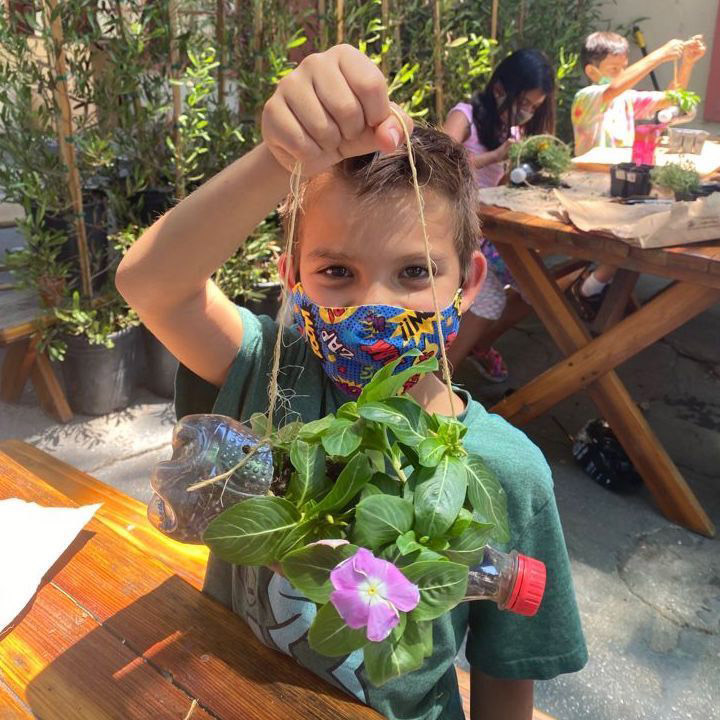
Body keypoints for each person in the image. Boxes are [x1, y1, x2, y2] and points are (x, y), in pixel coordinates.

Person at [117, 45, 586, 720]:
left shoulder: (508, 471)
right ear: (291, 275)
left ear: (470, 283)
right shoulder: (265, 373)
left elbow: (505, 675)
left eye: (416, 273)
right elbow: (150, 283)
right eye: (336, 272)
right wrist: (279, 159)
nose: (373, 305)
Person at [569, 31, 706, 321]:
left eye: (624, 67)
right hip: (589, 188)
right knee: (641, 226)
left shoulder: (628, 100)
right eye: (613, 69)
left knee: (653, 217)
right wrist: (660, 53)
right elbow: (614, 88)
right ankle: (589, 287)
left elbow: (673, 99)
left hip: (621, 184)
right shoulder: (588, 97)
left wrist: (687, 63)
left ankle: (598, 286)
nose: (621, 75)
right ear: (592, 72)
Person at [444, 49, 556, 381]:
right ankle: (439, 379)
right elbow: (434, 160)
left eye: (534, 107)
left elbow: (500, 184)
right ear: (499, 90)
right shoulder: (465, 116)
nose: (527, 113)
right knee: (491, 296)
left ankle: (478, 343)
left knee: (536, 289)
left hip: (487, 230)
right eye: (524, 104)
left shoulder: (512, 130)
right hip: (452, 228)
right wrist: (494, 156)